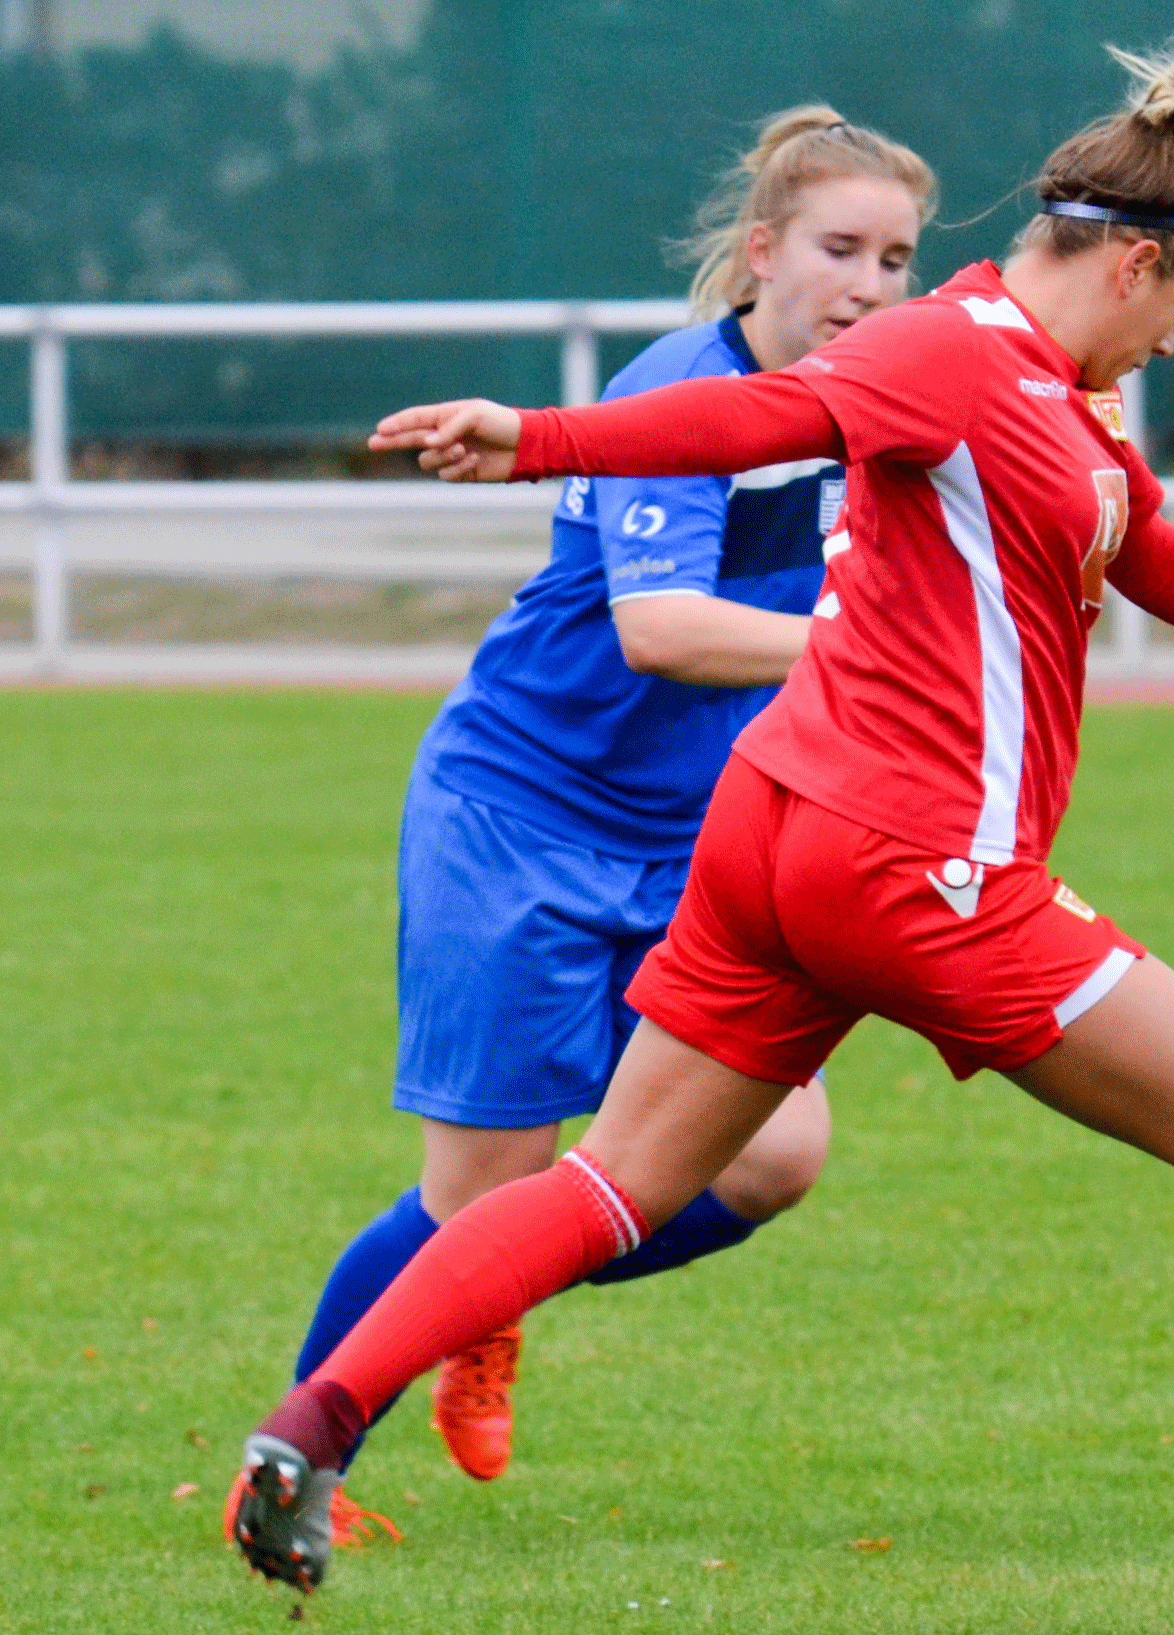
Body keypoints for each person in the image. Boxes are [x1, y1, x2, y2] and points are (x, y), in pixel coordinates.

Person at [232, 38, 1174, 1612]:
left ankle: (312, 1421)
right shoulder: (945, 353)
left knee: (613, 1181)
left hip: (773, 837)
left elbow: (1140, 544)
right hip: (915, 866)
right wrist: (539, 436)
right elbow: (755, 417)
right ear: (1133, 263)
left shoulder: (1052, 389)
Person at [243, 108, 937, 1547]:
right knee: (471, 1200)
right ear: (762, 253)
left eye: (896, 259)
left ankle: (485, 1295)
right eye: (840, 250)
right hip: (520, 811)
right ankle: (299, 1462)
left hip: (696, 842)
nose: (870, 284)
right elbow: (661, 628)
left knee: (772, 1155)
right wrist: (872, 649)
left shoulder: (883, 403)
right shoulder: (678, 388)